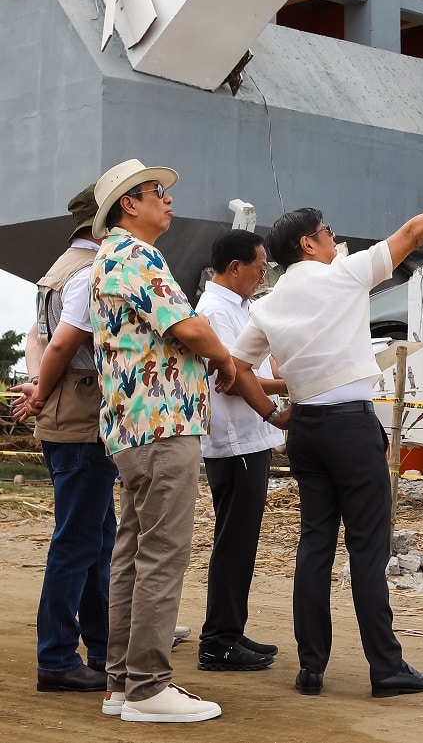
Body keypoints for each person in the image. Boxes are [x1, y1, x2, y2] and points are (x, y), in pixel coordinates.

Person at [230, 173, 423, 699]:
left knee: (315, 544)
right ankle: (385, 667)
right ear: (309, 243)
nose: (336, 239)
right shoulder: (341, 275)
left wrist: (272, 413)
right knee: (366, 550)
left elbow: (233, 366)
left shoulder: (267, 302)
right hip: (351, 426)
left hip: (306, 429)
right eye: (328, 231)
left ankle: (311, 666)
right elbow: (412, 232)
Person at [88, 159, 237, 723]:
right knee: (161, 553)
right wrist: (223, 356)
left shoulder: (108, 260)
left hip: (132, 428)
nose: (168, 201)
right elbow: (189, 328)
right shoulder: (135, 256)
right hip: (164, 424)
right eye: (158, 193)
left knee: (131, 553)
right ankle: (150, 686)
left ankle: (123, 684)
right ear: (130, 203)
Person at [13, 186, 117, 695]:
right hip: (82, 418)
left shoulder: (57, 269)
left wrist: (37, 388)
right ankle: (56, 657)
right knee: (77, 543)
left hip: (63, 414)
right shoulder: (90, 272)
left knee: (95, 539)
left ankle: (100, 647)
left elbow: (37, 339)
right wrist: (43, 389)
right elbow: (61, 342)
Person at [195, 230, 286, 672]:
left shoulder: (239, 307)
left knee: (240, 541)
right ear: (235, 268)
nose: (261, 275)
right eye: (258, 268)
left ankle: (229, 629)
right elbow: (232, 376)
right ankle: (218, 640)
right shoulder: (214, 310)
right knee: (234, 541)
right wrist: (281, 399)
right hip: (235, 441)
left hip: (248, 439)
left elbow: (253, 368)